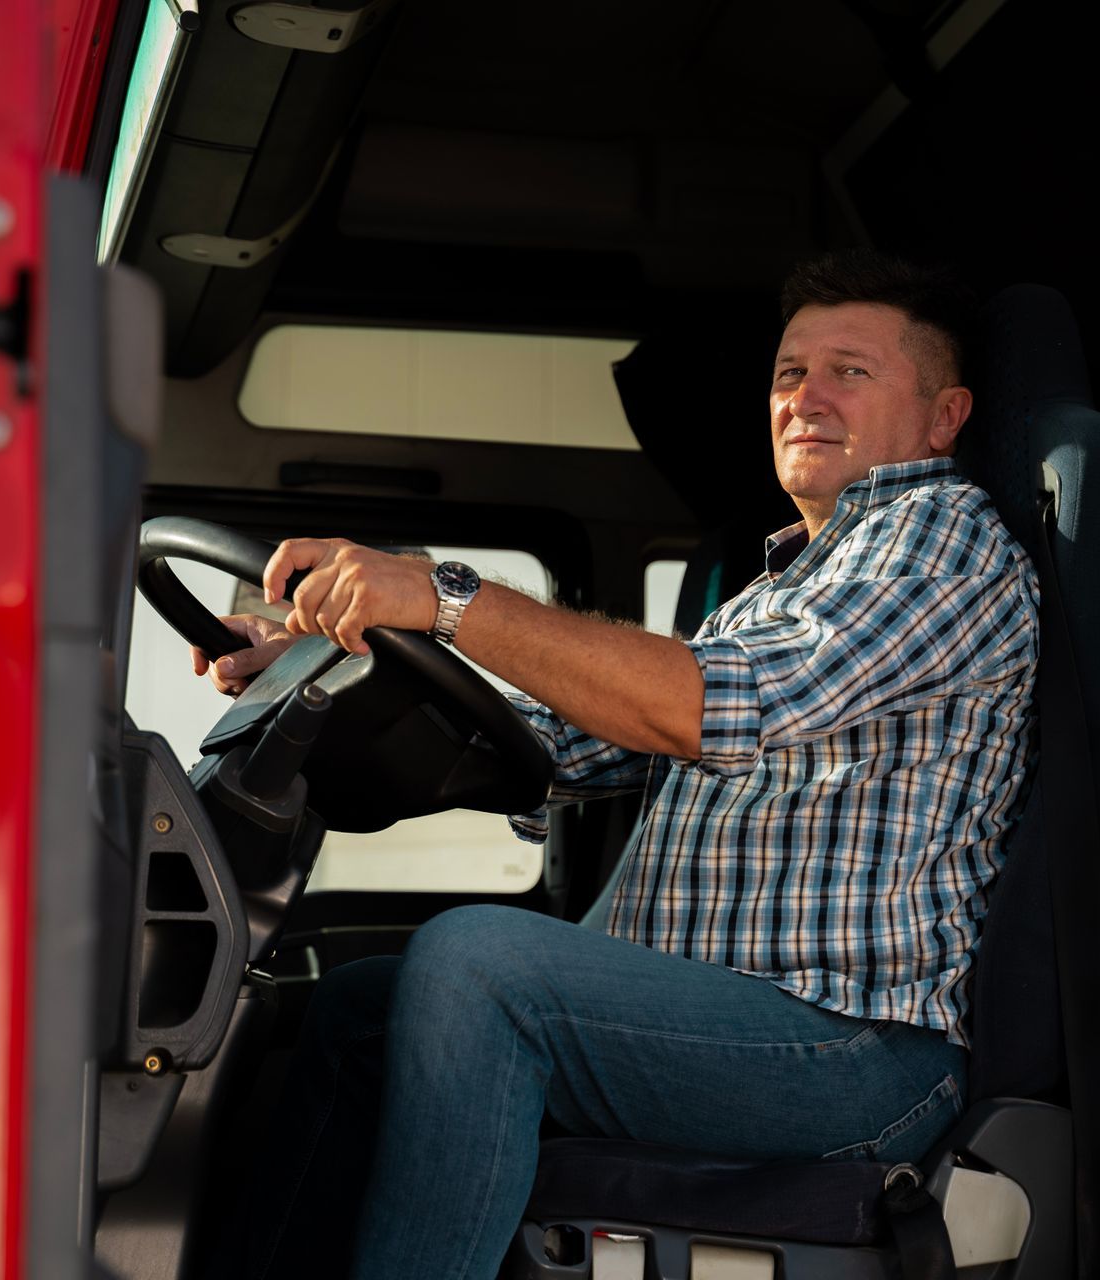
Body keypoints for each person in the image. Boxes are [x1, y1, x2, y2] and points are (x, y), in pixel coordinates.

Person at [201, 249, 1039, 1280]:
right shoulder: (777, 585)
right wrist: (320, 656)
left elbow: (715, 702)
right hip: (723, 1015)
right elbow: (572, 738)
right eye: (788, 373)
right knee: (363, 1002)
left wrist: (447, 595)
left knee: (481, 966)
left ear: (943, 415)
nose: (805, 397)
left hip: (850, 1051)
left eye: (850, 372)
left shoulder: (941, 543)